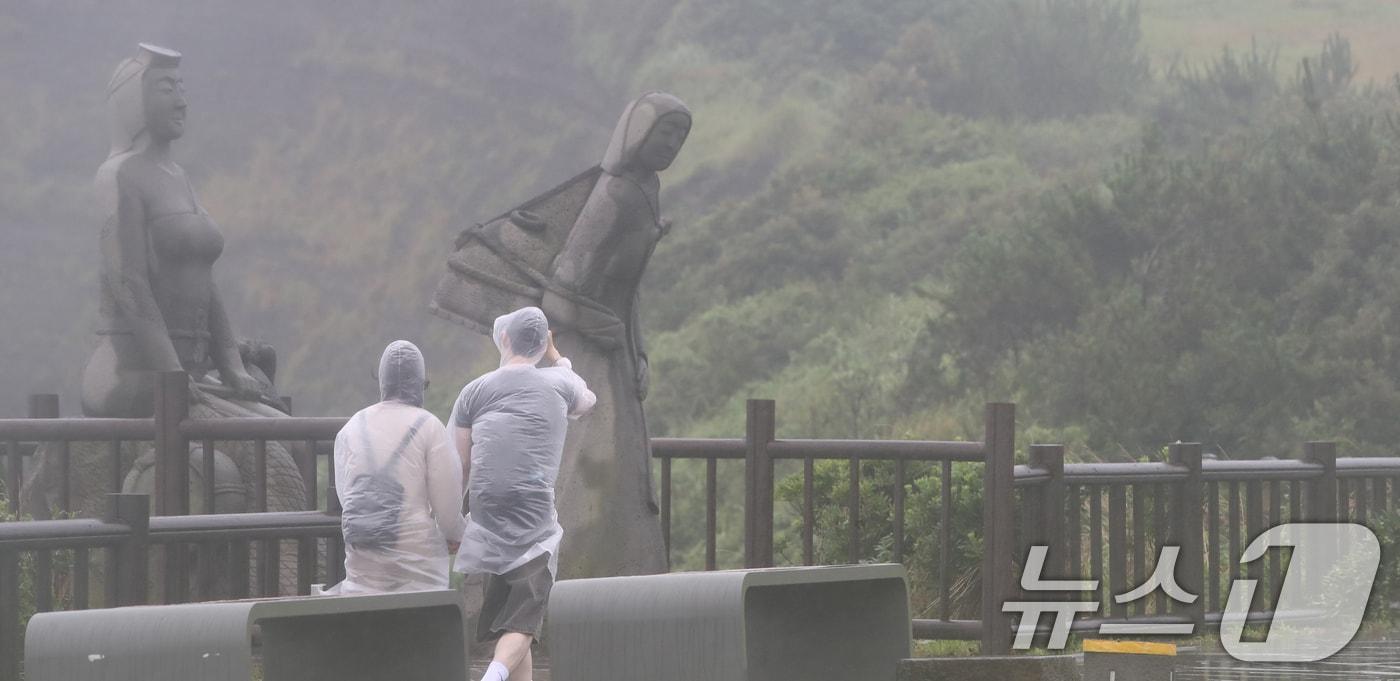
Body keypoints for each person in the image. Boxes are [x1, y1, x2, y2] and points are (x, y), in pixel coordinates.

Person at [540, 91, 691, 579]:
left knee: (624, 473)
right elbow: (559, 294)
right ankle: (573, 581)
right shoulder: (615, 193)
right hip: (586, 357)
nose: (672, 143)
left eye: (680, 136)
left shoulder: (647, 190)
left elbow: (630, 289)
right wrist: (599, 328)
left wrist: (638, 349)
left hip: (618, 355)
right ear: (638, 131)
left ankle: (626, 578)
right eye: (665, 131)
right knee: (593, 468)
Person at [453, 307, 596, 681]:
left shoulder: (475, 390)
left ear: (504, 339)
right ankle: (492, 677)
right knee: (526, 617)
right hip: (532, 512)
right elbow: (588, 402)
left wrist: (454, 523)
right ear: (540, 343)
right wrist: (559, 358)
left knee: (513, 619)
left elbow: (461, 465)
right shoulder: (559, 383)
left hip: (486, 513)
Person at [327, 340, 466, 594]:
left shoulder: (351, 428)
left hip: (363, 558)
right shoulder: (430, 426)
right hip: (416, 560)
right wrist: (456, 534)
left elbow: (348, 498)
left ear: (381, 381)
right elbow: (447, 510)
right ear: (420, 383)